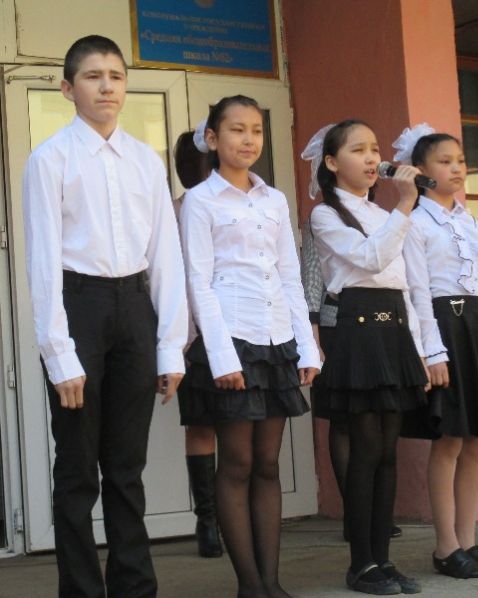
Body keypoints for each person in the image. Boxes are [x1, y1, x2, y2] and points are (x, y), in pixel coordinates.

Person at [22, 35, 188, 597]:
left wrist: (170, 347)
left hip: (135, 310)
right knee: (76, 470)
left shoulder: (145, 161)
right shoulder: (49, 159)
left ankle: (135, 588)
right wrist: (59, 354)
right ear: (68, 88)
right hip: (79, 309)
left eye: (116, 75)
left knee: (126, 468)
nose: (107, 86)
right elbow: (43, 261)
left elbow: (165, 256)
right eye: (93, 76)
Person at [179, 95, 320, 598]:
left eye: (256, 130)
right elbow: (198, 283)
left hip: (275, 340)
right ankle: (250, 586)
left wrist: (306, 347)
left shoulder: (274, 199)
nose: (248, 140)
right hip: (231, 340)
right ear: (213, 139)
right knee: (236, 464)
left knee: (267, 464)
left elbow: (289, 276)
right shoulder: (200, 201)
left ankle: (271, 583)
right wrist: (221, 357)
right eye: (236, 130)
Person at [400, 124, 478, 580]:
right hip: (447, 330)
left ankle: (469, 541)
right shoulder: (415, 222)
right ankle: (446, 546)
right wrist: (432, 351)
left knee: (477, 440)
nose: (456, 169)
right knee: (450, 439)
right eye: (444, 161)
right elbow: (417, 291)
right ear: (421, 170)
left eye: (460, 161)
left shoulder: (472, 222)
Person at [306, 120, 428, 595]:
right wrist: (405, 205)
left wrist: (419, 348)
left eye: (375, 148)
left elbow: (403, 282)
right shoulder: (325, 215)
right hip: (356, 329)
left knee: (388, 451)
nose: (372, 157)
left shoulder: (383, 212)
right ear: (332, 162)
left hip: (393, 326)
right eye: (358, 149)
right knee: (365, 448)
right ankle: (361, 563)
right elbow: (371, 260)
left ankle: (384, 559)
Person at [300, 199, 403, 542]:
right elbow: (311, 277)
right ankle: (354, 513)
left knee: (382, 424)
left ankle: (376, 514)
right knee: (344, 419)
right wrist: (313, 335)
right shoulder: (324, 215)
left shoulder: (381, 216)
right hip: (335, 324)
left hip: (382, 325)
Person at [173, 129, 222, 557]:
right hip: (196, 336)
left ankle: (222, 517)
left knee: (232, 429)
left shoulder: (238, 204)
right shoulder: (177, 210)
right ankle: (209, 520)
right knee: (204, 424)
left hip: (240, 328)